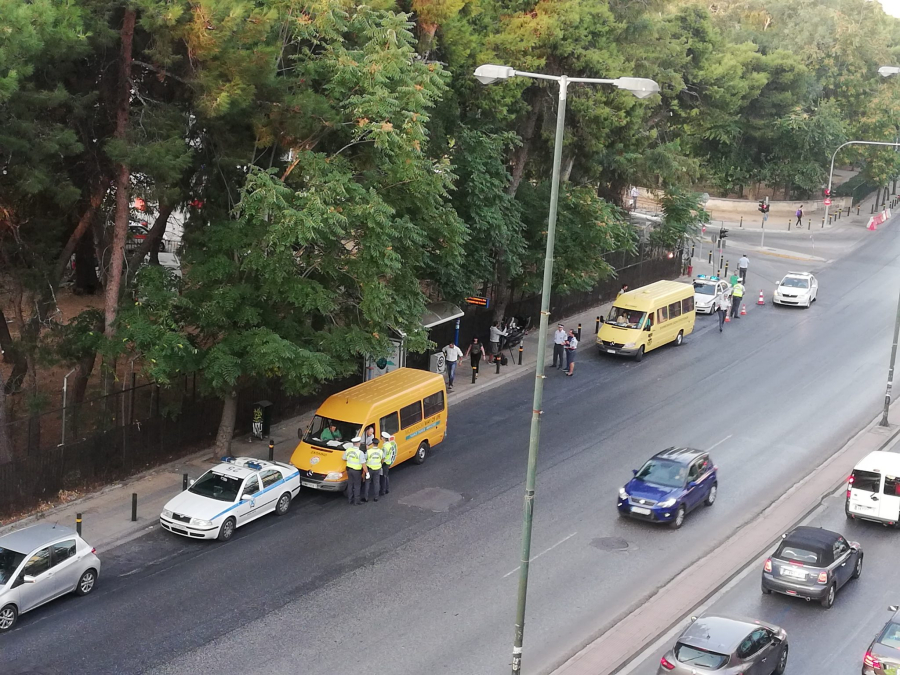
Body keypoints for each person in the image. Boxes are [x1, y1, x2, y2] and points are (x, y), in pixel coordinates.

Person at [342, 437, 366, 505]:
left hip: (349, 470)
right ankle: (357, 501)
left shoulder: (348, 450)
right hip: (356, 471)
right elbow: (363, 463)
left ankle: (350, 500)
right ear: (358, 443)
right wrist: (366, 472)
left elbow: (343, 458)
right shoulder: (360, 452)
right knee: (357, 486)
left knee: (350, 485)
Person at [380, 431, 397, 496]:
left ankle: (383, 490)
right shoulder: (389, 445)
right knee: (386, 476)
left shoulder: (385, 447)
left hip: (384, 463)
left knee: (383, 477)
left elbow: (383, 457)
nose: (381, 438)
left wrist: (381, 464)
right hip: (388, 462)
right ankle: (387, 489)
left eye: (382, 437)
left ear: (384, 438)